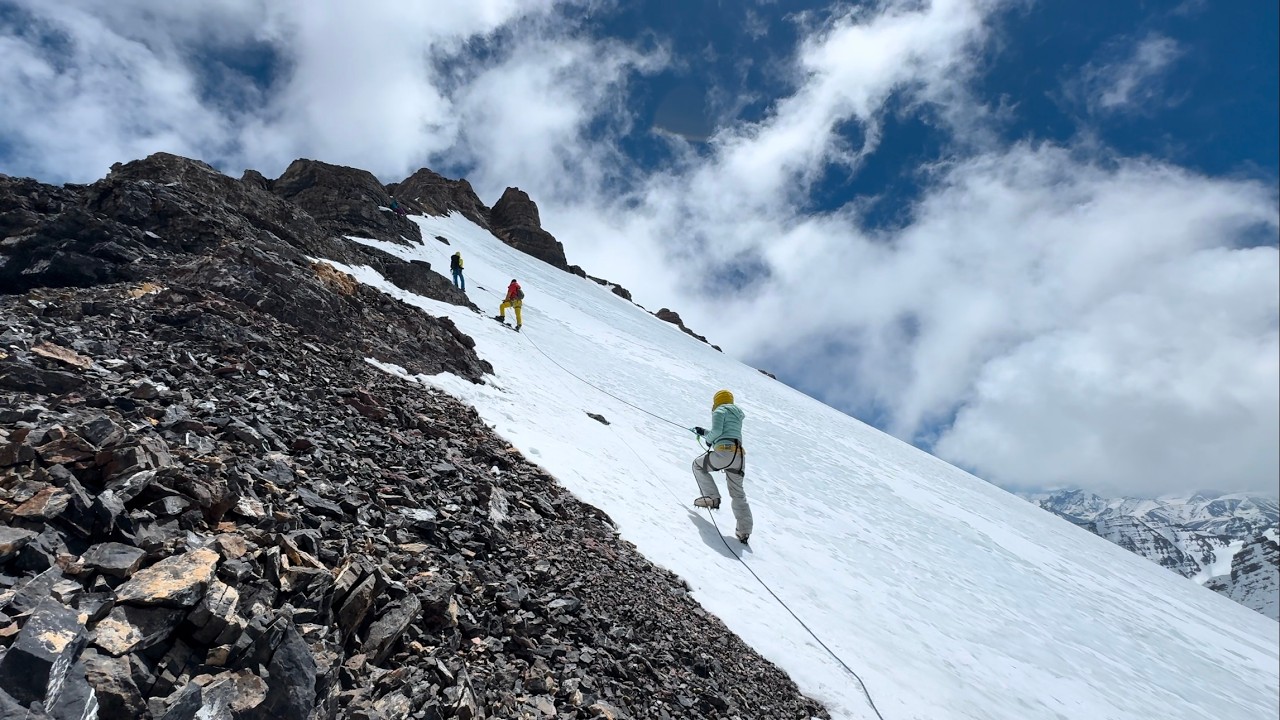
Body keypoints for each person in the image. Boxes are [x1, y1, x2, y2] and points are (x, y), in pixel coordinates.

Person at [692, 389, 752, 544]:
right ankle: (744, 532)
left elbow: (717, 431)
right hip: (739, 456)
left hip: (724, 453)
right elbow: (725, 431)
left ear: (717, 401)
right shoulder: (737, 415)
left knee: (697, 465)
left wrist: (708, 440)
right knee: (738, 494)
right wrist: (704, 432)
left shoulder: (719, 410)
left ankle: (712, 497)